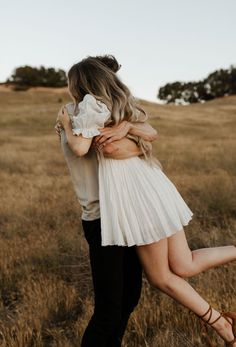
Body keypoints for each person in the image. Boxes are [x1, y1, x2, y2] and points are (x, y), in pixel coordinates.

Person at [57, 54, 236, 346]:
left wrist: (74, 126)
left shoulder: (95, 111)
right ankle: (223, 324)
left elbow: (103, 147)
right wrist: (129, 131)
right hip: (152, 196)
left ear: (80, 84)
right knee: (181, 267)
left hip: (129, 208)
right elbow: (148, 135)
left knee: (154, 282)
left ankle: (223, 327)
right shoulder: (117, 111)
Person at [55, 56, 159, 347]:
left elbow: (149, 138)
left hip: (125, 213)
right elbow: (83, 148)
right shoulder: (83, 113)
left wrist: (128, 129)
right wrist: (130, 134)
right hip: (101, 219)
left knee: (129, 298)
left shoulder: (106, 114)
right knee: (109, 309)